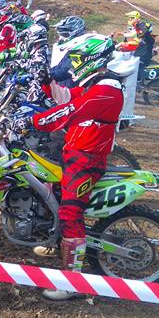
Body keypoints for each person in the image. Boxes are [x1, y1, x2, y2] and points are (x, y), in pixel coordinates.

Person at [15, 35, 123, 301]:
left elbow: (69, 111)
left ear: (91, 59)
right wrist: (45, 82)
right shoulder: (95, 85)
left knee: (70, 212)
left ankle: (73, 282)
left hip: (87, 161)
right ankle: (56, 242)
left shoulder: (107, 90)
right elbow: (65, 98)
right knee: (48, 194)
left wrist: (32, 121)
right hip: (72, 153)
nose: (73, 65)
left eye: (77, 60)